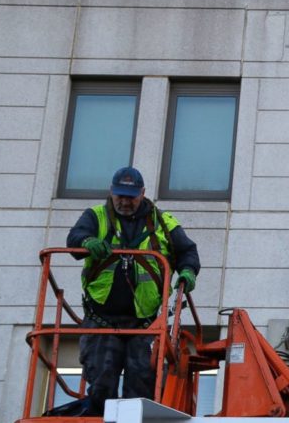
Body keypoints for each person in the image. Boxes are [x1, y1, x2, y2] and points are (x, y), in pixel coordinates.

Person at [66, 166, 200, 416]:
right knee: (101, 385)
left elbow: (187, 251)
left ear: (143, 193)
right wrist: (87, 242)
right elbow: (75, 237)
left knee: (141, 389)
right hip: (101, 320)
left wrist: (188, 271)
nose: (125, 202)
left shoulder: (162, 221)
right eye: (120, 196)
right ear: (111, 192)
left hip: (145, 324)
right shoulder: (96, 216)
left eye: (131, 196)